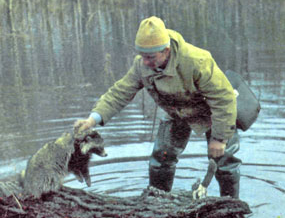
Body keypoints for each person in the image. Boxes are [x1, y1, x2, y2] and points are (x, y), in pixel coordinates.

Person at [75, 16, 241, 198]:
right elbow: (120, 92)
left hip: (213, 112)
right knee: (161, 159)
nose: (145, 62)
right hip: (176, 113)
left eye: (150, 57)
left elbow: (223, 99)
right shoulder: (142, 65)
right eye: (142, 56)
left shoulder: (197, 61)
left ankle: (232, 206)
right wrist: (93, 119)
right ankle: (158, 204)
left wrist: (219, 139)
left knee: (224, 162)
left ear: (166, 51)